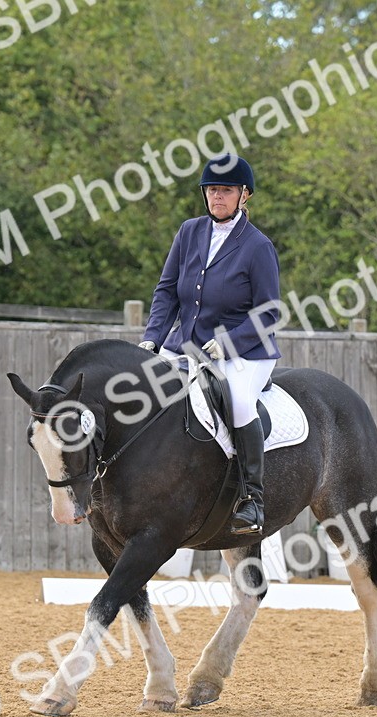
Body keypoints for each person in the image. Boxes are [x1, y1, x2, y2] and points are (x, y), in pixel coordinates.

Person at [139, 154, 282, 535]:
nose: (218, 197)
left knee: (235, 400)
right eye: (213, 190)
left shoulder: (257, 246)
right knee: (141, 389)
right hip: (186, 346)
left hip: (246, 352)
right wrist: (153, 339)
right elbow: (167, 290)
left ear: (243, 195)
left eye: (226, 190)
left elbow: (269, 314)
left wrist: (229, 344)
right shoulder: (189, 232)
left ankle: (252, 501)